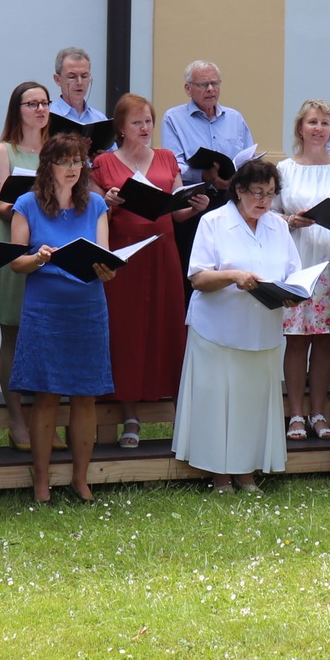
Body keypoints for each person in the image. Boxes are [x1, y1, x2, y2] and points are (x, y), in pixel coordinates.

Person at [175, 159, 300, 492]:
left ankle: (246, 471)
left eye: (270, 194)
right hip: (217, 328)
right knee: (217, 402)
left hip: (262, 328)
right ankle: (220, 474)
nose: (264, 201)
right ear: (240, 190)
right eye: (257, 192)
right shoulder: (214, 221)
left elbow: (292, 274)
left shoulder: (278, 227)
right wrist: (233, 276)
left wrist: (292, 294)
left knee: (252, 402)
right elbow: (198, 278)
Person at [8, 132, 117, 502]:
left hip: (88, 308)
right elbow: (16, 262)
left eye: (78, 162)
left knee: (86, 396)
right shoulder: (26, 203)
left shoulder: (96, 204)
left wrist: (107, 270)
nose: (72, 169)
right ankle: (41, 482)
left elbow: (104, 255)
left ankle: (80, 479)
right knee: (47, 395)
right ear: (48, 166)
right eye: (65, 162)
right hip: (45, 309)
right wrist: (38, 258)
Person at [92, 93, 198, 447]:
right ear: (121, 128)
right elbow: (93, 211)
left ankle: (182, 417)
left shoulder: (166, 158)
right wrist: (106, 201)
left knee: (168, 326)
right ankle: (129, 415)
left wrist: (194, 206)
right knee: (126, 331)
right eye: (136, 122)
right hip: (126, 254)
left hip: (163, 251)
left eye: (148, 121)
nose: (144, 128)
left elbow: (177, 210)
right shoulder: (104, 163)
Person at [275, 100, 330, 443]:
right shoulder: (284, 169)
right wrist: (289, 220)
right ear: (300, 127)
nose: (318, 129)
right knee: (297, 340)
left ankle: (319, 413)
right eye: (312, 122)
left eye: (325, 123)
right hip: (298, 260)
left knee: (326, 340)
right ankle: (296, 413)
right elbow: (268, 214)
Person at [0, 81, 52, 449]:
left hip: (50, 248)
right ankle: (16, 419)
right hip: (15, 247)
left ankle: (44, 419)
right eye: (31, 103)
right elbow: (2, 207)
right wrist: (39, 200)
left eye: (44, 103)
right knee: (13, 335)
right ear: (17, 110)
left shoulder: (55, 151)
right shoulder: (3, 151)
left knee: (46, 338)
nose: (40, 109)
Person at [161, 60, 256, 191]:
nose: (211, 89)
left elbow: (249, 159)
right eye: (203, 84)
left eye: (215, 83)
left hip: (234, 193)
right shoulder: (173, 118)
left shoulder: (235, 118)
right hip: (195, 195)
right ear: (188, 89)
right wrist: (202, 175)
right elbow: (173, 166)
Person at [48, 46, 108, 125]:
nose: (80, 82)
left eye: (84, 76)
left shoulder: (100, 119)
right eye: (72, 77)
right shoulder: (47, 117)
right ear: (57, 79)